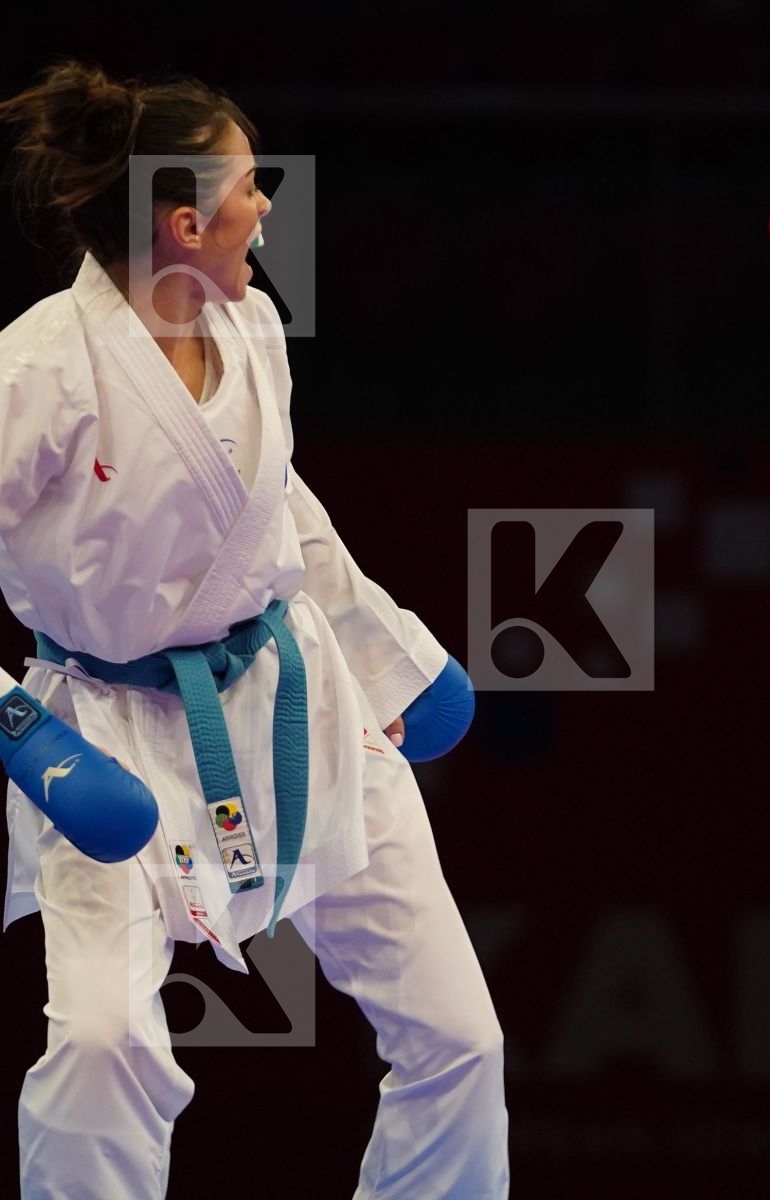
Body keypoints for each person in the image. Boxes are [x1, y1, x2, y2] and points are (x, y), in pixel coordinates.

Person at [0, 61, 508, 1197]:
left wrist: (388, 653)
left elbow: (280, 508)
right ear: (185, 223)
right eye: (247, 187)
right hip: (109, 733)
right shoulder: (36, 370)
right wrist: (21, 732)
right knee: (97, 1049)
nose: (266, 203)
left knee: (460, 1039)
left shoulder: (252, 321)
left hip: (296, 703)